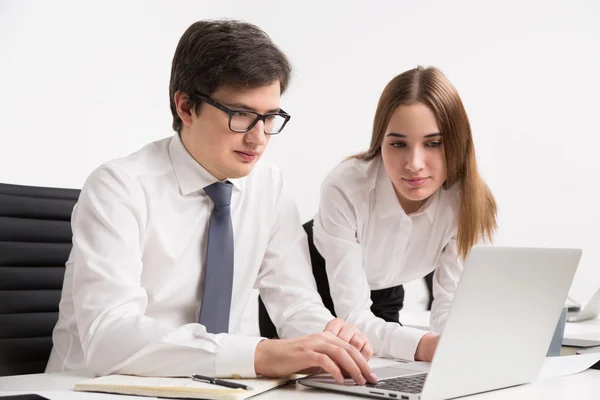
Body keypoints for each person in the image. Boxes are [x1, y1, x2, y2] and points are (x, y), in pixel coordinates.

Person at [46, 20, 378, 386]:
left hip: (215, 388)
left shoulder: (268, 185)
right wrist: (260, 354)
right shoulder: (118, 188)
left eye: (270, 118)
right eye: (241, 116)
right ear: (186, 107)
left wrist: (328, 340)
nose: (258, 138)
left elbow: (295, 301)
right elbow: (109, 336)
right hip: (91, 388)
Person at [313, 66, 498, 362]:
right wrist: (426, 345)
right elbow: (352, 316)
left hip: (385, 293)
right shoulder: (345, 186)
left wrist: (456, 350)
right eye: (398, 144)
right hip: (316, 291)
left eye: (433, 143)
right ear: (380, 142)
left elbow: (450, 304)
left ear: (457, 142)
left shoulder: (466, 200)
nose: (414, 164)